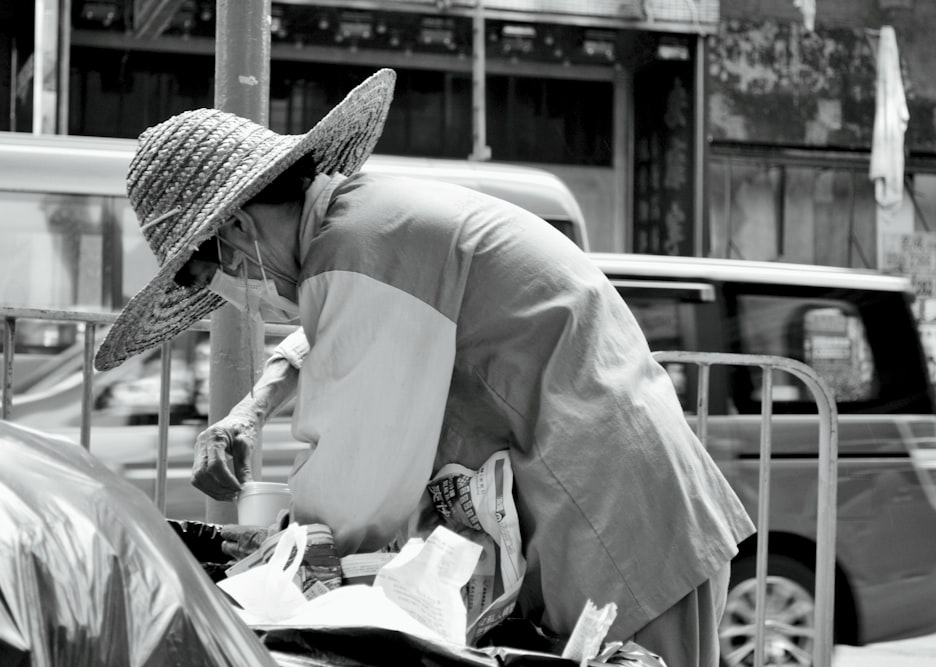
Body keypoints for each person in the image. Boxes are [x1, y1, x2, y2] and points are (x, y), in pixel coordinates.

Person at [94, 68, 755, 666]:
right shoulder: (363, 227)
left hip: (619, 528)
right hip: (611, 510)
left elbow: (352, 492)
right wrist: (251, 411)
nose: (237, 295)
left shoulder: (357, 250)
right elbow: (326, 350)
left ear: (236, 230)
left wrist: (262, 579)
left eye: (212, 276)